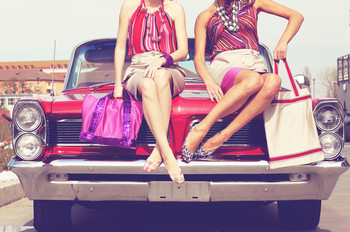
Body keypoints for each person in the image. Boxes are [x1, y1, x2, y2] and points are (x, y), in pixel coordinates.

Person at [182, 0, 303, 162]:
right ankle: (201, 128)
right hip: (224, 64)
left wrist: (283, 42)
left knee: (274, 80)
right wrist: (209, 81)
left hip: (254, 61)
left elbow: (296, 16)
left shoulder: (253, 4)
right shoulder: (205, 16)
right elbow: (198, 58)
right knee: (253, 80)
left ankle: (222, 136)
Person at [113, 0, 188, 183]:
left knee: (160, 76)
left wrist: (161, 61)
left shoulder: (175, 8)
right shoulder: (129, 7)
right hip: (138, 69)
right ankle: (167, 151)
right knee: (147, 84)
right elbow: (121, 46)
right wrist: (117, 83)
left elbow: (183, 51)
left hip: (169, 68)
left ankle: (159, 150)